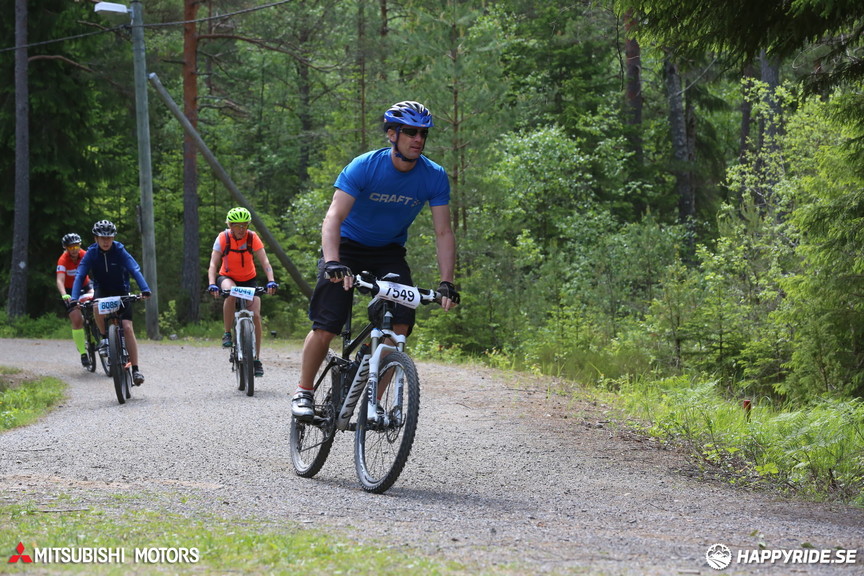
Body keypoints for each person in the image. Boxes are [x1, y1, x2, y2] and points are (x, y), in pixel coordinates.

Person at [291, 100, 460, 420]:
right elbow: (333, 217)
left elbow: (443, 232)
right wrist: (332, 261)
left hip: (388, 252)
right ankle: (304, 391)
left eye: (423, 133)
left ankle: (373, 402)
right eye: (410, 132)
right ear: (391, 135)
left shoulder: (434, 176)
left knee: (400, 325)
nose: (418, 139)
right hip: (346, 247)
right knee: (327, 325)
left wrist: (447, 281)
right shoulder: (365, 166)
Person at [70, 220, 151, 385]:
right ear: (96, 239)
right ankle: (106, 339)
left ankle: (135, 370)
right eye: (102, 238)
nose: (106, 241)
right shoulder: (92, 253)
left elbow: (134, 269)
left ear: (113, 238)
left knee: (127, 328)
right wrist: (73, 298)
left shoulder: (119, 250)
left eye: (109, 238)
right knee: (95, 306)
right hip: (102, 290)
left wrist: (144, 289)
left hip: (121, 290)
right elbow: (80, 275)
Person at [207, 207, 278, 377]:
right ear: (230, 225)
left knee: (255, 316)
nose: (241, 229)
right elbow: (213, 265)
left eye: (244, 225)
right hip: (227, 277)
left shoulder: (253, 237)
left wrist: (271, 280)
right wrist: (212, 284)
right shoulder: (223, 238)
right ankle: (227, 333)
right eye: (237, 225)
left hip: (249, 280)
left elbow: (265, 261)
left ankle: (256, 360)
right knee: (231, 293)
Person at [56, 233, 94, 368]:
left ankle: (97, 333)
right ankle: (83, 353)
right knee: (77, 319)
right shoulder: (63, 260)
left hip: (85, 285)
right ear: (66, 248)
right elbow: (60, 280)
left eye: (76, 246)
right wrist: (64, 294)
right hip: (70, 290)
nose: (74, 250)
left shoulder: (84, 254)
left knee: (96, 307)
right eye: (70, 248)